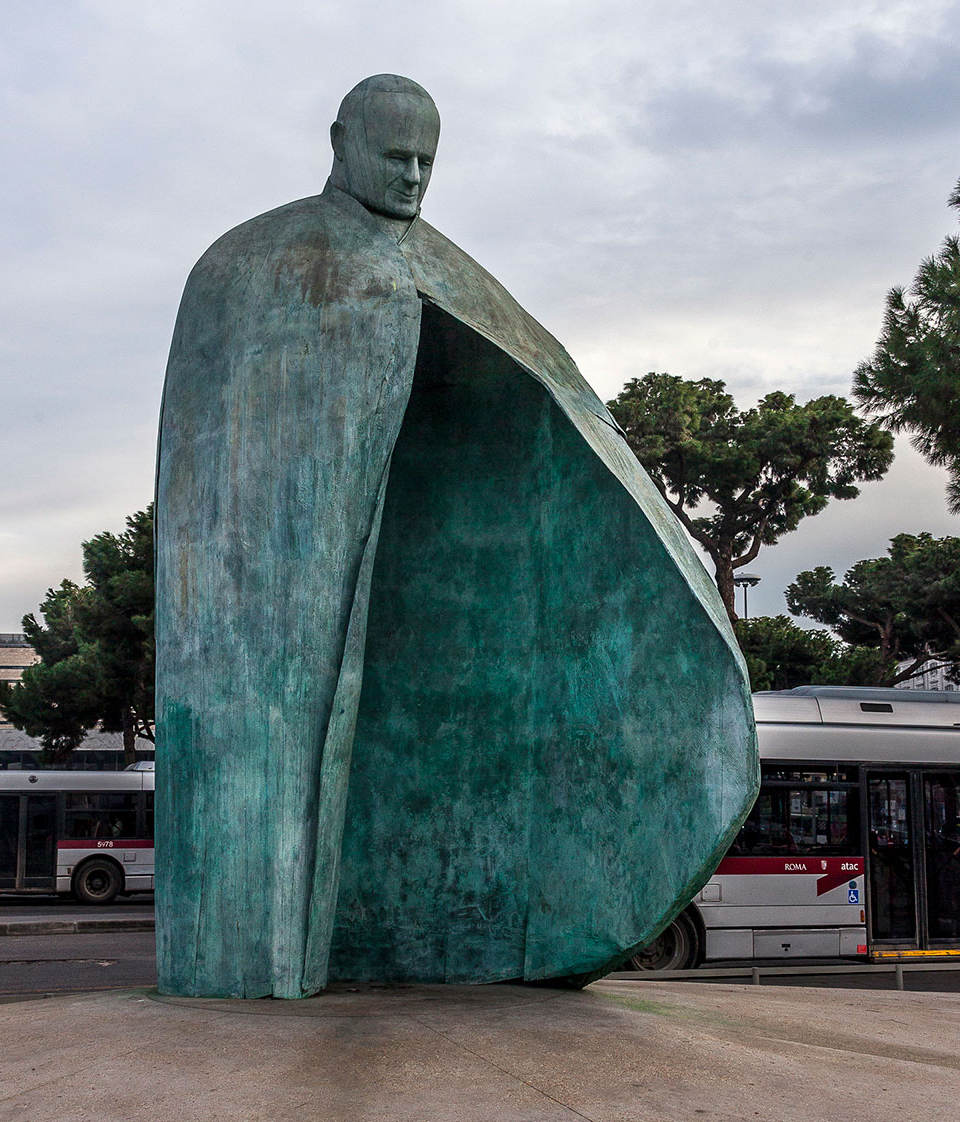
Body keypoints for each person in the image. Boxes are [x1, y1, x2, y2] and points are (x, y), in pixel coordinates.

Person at [156, 76, 755, 999]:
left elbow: (568, 405)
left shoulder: (452, 271)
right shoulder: (251, 261)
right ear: (339, 141)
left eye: (426, 162)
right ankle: (261, 949)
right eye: (395, 157)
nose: (412, 178)